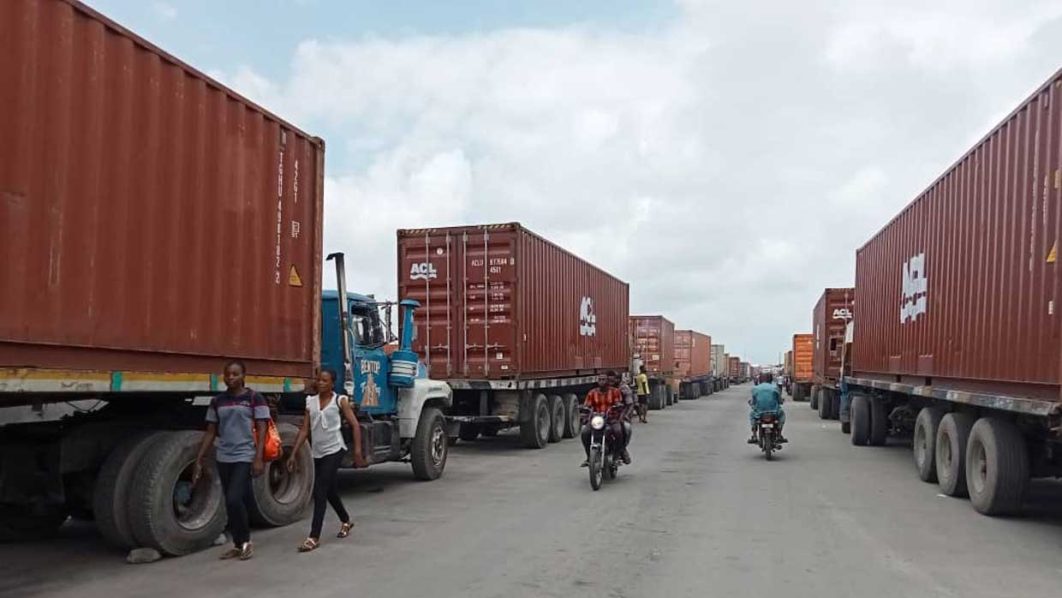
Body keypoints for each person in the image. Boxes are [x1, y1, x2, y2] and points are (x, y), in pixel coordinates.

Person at [192, 360, 270, 561]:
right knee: (231, 502)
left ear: (243, 376)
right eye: (227, 374)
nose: (230, 378)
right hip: (224, 456)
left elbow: (262, 428)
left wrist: (258, 457)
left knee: (234, 498)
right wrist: (199, 458)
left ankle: (246, 542)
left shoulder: (254, 398)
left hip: (245, 455)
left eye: (235, 374)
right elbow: (211, 431)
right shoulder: (218, 401)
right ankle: (238, 544)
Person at [287, 368, 367, 552]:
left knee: (320, 490)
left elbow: (355, 425)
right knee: (330, 491)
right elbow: (305, 430)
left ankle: (313, 537)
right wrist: (293, 453)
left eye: (325, 380)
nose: (320, 383)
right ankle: (346, 520)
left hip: (335, 449)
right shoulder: (310, 402)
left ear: (332, 383)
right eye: (319, 380)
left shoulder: (340, 401)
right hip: (318, 451)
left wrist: (357, 452)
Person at [581, 373, 628, 466]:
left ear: (608, 381)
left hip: (611, 419)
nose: (601, 382)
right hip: (597, 420)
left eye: (603, 379)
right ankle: (589, 457)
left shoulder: (615, 391)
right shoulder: (592, 392)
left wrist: (618, 406)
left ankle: (617, 456)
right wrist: (585, 410)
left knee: (618, 432)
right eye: (600, 379)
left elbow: (619, 403)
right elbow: (587, 405)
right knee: (585, 433)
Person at [748, 372, 787, 444]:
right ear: (771, 379)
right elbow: (779, 401)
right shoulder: (775, 388)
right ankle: (779, 434)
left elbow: (753, 402)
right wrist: (781, 401)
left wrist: (751, 403)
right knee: (782, 415)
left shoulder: (755, 388)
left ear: (760, 379)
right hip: (774, 412)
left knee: (752, 415)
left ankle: (754, 435)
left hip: (759, 413)